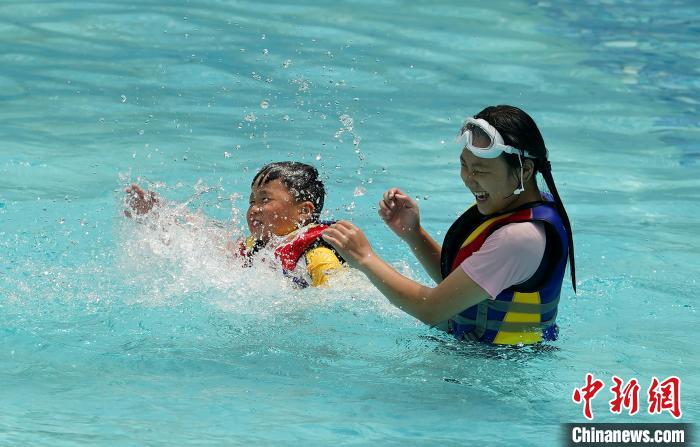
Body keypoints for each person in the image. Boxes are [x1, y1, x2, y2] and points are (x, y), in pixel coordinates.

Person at [322, 105, 576, 344]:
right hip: (476, 354)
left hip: (497, 366)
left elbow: (430, 310)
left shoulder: (520, 238)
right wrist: (414, 235)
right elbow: (459, 284)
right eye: (464, 165)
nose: (469, 179)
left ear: (525, 171)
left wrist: (364, 258)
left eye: (481, 171)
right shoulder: (512, 206)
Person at [126, 161, 343, 287]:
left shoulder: (317, 256)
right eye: (252, 201)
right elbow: (201, 249)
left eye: (265, 200)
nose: (254, 209)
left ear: (304, 211)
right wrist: (159, 220)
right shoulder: (257, 247)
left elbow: (339, 296)